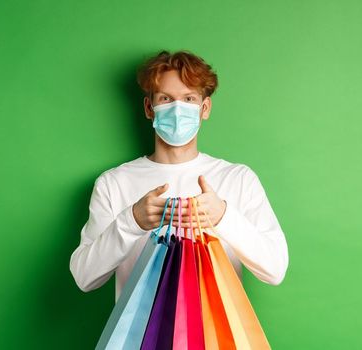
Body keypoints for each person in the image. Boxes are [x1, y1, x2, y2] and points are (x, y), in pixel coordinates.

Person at [69, 50, 289, 301]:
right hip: (139, 338)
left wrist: (223, 216)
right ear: (149, 108)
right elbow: (84, 278)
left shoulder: (237, 179)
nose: (177, 109)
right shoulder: (114, 183)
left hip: (215, 339)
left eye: (188, 99)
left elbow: (275, 269)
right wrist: (132, 221)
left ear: (204, 108)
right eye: (165, 98)